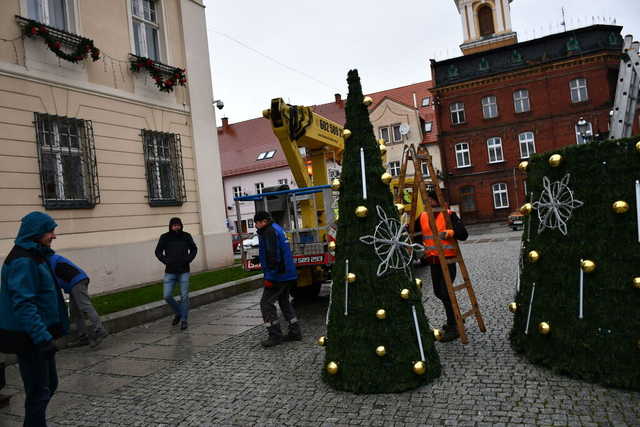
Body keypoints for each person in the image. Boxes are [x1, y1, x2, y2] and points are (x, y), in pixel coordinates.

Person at [0, 211, 69, 425]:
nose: (53, 236)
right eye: (50, 231)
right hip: (30, 338)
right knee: (39, 392)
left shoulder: (35, 255)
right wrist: (42, 337)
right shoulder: (23, 260)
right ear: (36, 232)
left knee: (49, 384)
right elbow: (23, 303)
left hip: (39, 335)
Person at [417, 190, 468, 342]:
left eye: (430, 201)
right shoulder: (424, 216)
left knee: (446, 293)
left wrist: (450, 232)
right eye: (427, 201)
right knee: (438, 292)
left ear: (437, 201)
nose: (428, 204)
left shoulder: (449, 214)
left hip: (448, 260)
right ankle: (457, 317)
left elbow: (463, 234)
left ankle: (454, 326)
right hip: (434, 261)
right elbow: (416, 233)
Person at [254, 211, 302, 347]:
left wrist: (271, 276)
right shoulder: (277, 228)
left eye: (257, 223)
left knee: (266, 304)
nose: (256, 226)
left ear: (263, 221)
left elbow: (274, 255)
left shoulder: (268, 231)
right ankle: (295, 331)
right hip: (287, 273)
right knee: (284, 302)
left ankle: (275, 335)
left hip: (278, 276)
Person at [48, 254, 108, 347]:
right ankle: (83, 337)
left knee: (85, 306)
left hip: (76, 282)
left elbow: (52, 279)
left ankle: (99, 330)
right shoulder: (52, 258)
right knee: (75, 311)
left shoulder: (49, 260)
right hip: (75, 282)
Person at [155, 217, 197, 330]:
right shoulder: (165, 237)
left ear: (181, 225)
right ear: (170, 226)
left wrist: (188, 259)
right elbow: (158, 251)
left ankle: (184, 320)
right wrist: (165, 260)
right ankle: (178, 312)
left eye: (178, 225)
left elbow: (194, 249)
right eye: (174, 225)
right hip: (170, 271)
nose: (176, 227)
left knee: (184, 296)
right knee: (167, 295)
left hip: (184, 271)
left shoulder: (186, 236)